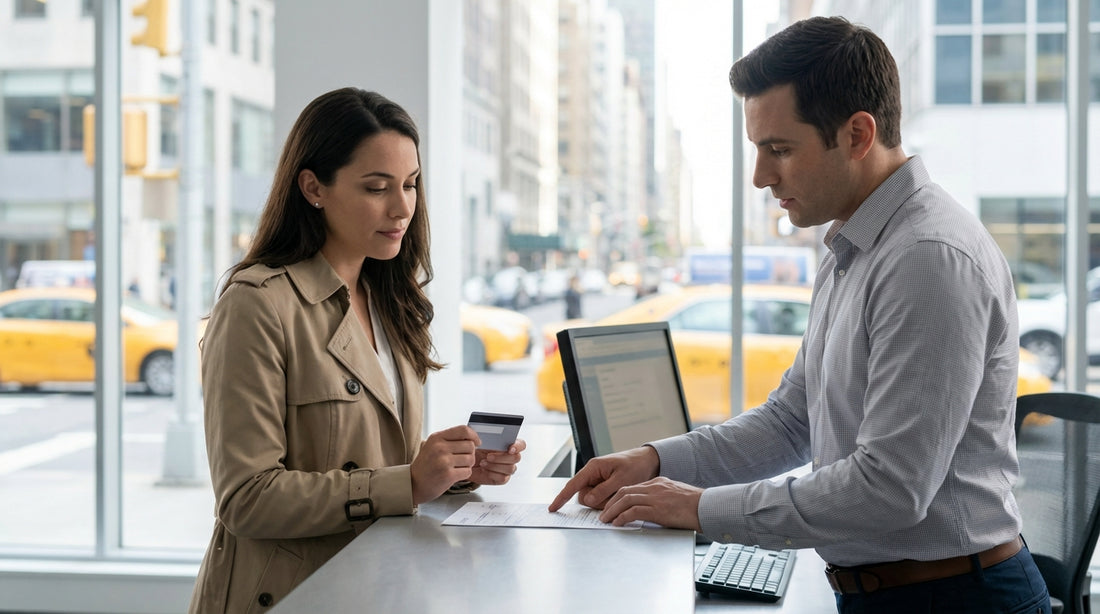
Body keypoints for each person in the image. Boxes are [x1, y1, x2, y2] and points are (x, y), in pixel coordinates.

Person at [550, 16, 1050, 614]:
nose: (762, 176)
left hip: (955, 599)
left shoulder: (925, 258)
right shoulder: (853, 245)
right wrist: (654, 460)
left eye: (779, 149)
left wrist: (699, 508)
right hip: (902, 592)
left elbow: (890, 489)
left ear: (859, 134)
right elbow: (793, 421)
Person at [189, 88, 526, 614]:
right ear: (313, 188)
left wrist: (454, 472)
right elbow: (246, 498)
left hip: (378, 584)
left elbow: (382, 464)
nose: (402, 207)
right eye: (377, 188)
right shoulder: (258, 305)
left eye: (411, 185)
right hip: (291, 596)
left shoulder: (391, 300)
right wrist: (408, 483)